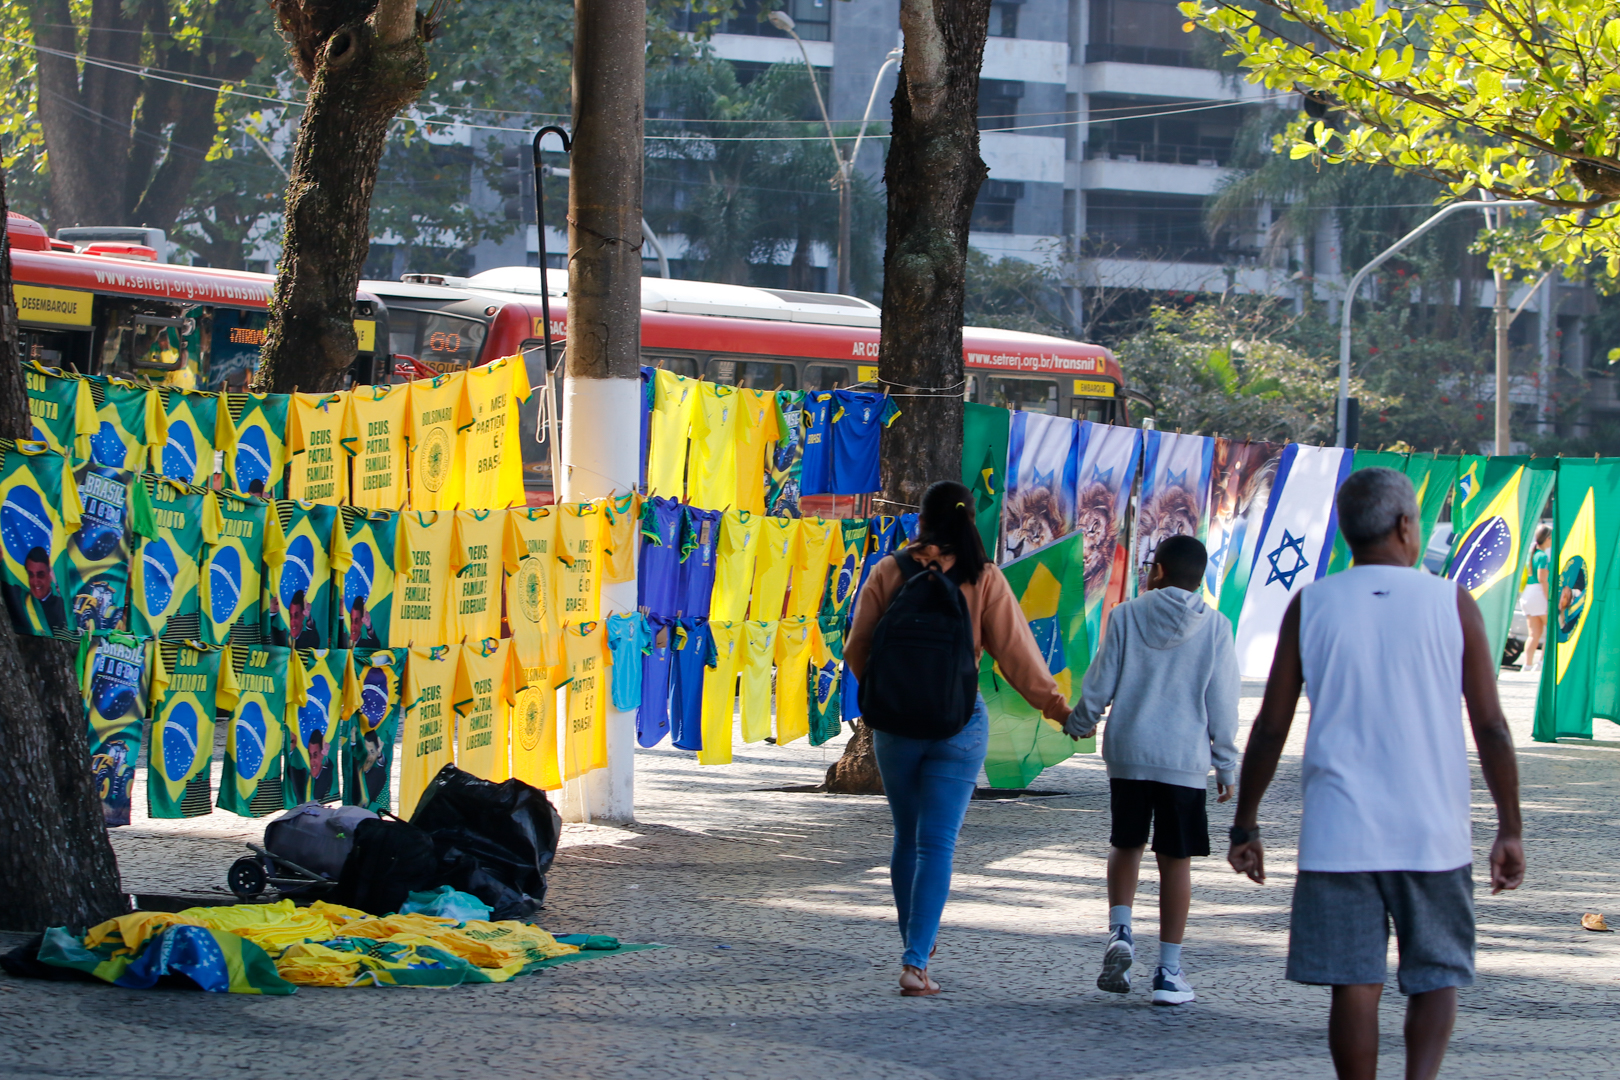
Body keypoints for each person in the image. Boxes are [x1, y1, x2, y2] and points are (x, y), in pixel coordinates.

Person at [1227, 467, 1523, 1080]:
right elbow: (1492, 727)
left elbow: (1271, 726)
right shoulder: (1452, 603)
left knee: (1354, 985)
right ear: (1406, 526)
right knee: (1437, 975)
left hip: (1338, 835)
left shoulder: (1312, 604)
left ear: (1346, 531)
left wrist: (1246, 824)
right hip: (1432, 833)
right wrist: (1509, 828)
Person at [846, 480, 1070, 997]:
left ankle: (916, 945)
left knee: (907, 837)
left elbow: (858, 648)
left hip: (896, 728)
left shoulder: (888, 571)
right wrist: (1059, 710)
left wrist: (887, 700)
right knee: (937, 843)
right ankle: (916, 962)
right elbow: (1018, 658)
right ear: (970, 521)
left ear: (921, 521)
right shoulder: (984, 576)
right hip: (959, 723)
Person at [1065, 534, 1239, 1005]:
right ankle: (1168, 972)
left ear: (1157, 571)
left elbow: (1100, 680)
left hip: (1129, 752)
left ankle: (1121, 930)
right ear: (1199, 579)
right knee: (1175, 860)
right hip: (1183, 759)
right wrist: (1226, 764)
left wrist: (1079, 722)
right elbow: (1223, 702)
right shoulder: (1217, 627)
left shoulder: (1125, 615)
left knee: (1126, 843)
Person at [1520, 524, 1551, 672]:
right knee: (1552, 630)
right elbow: (1542, 579)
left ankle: (1527, 665)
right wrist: (1549, 599)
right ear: (1547, 538)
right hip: (1538, 594)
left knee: (1533, 634)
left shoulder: (1531, 553)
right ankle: (1541, 663)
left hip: (1527, 594)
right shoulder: (1543, 556)